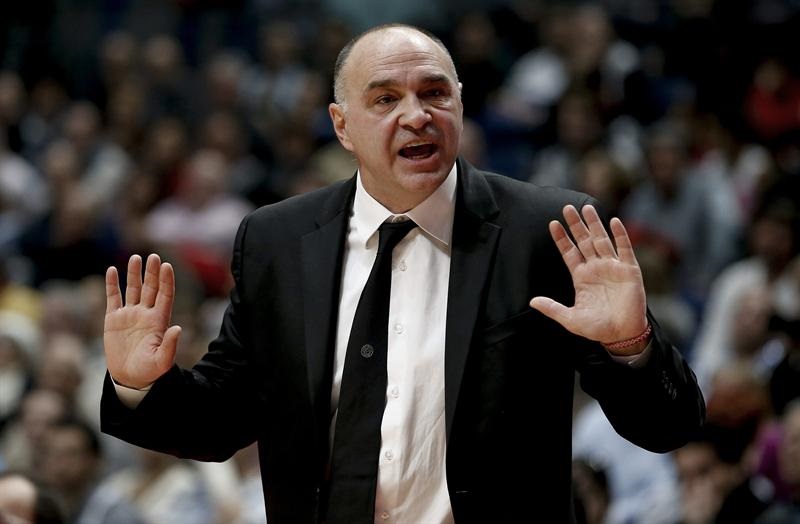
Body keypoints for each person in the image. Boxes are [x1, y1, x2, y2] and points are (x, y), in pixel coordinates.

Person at [100, 24, 704, 523]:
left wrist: (630, 346)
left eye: (434, 93)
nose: (416, 115)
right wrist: (139, 385)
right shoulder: (277, 241)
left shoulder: (547, 231)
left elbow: (666, 428)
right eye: (386, 99)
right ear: (342, 126)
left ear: (460, 103)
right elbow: (221, 422)